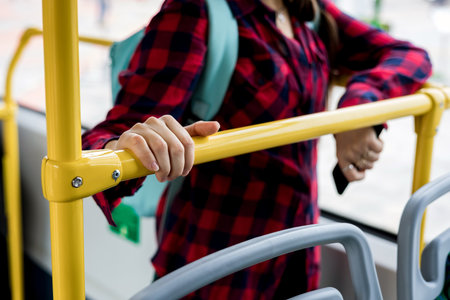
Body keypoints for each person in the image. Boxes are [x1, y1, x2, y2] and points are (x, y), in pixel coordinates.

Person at [82, 0, 432, 298]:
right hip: (217, 257)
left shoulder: (308, 13)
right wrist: (125, 146)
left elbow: (410, 56)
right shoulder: (197, 10)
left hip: (298, 252)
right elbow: (112, 134)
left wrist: (356, 111)